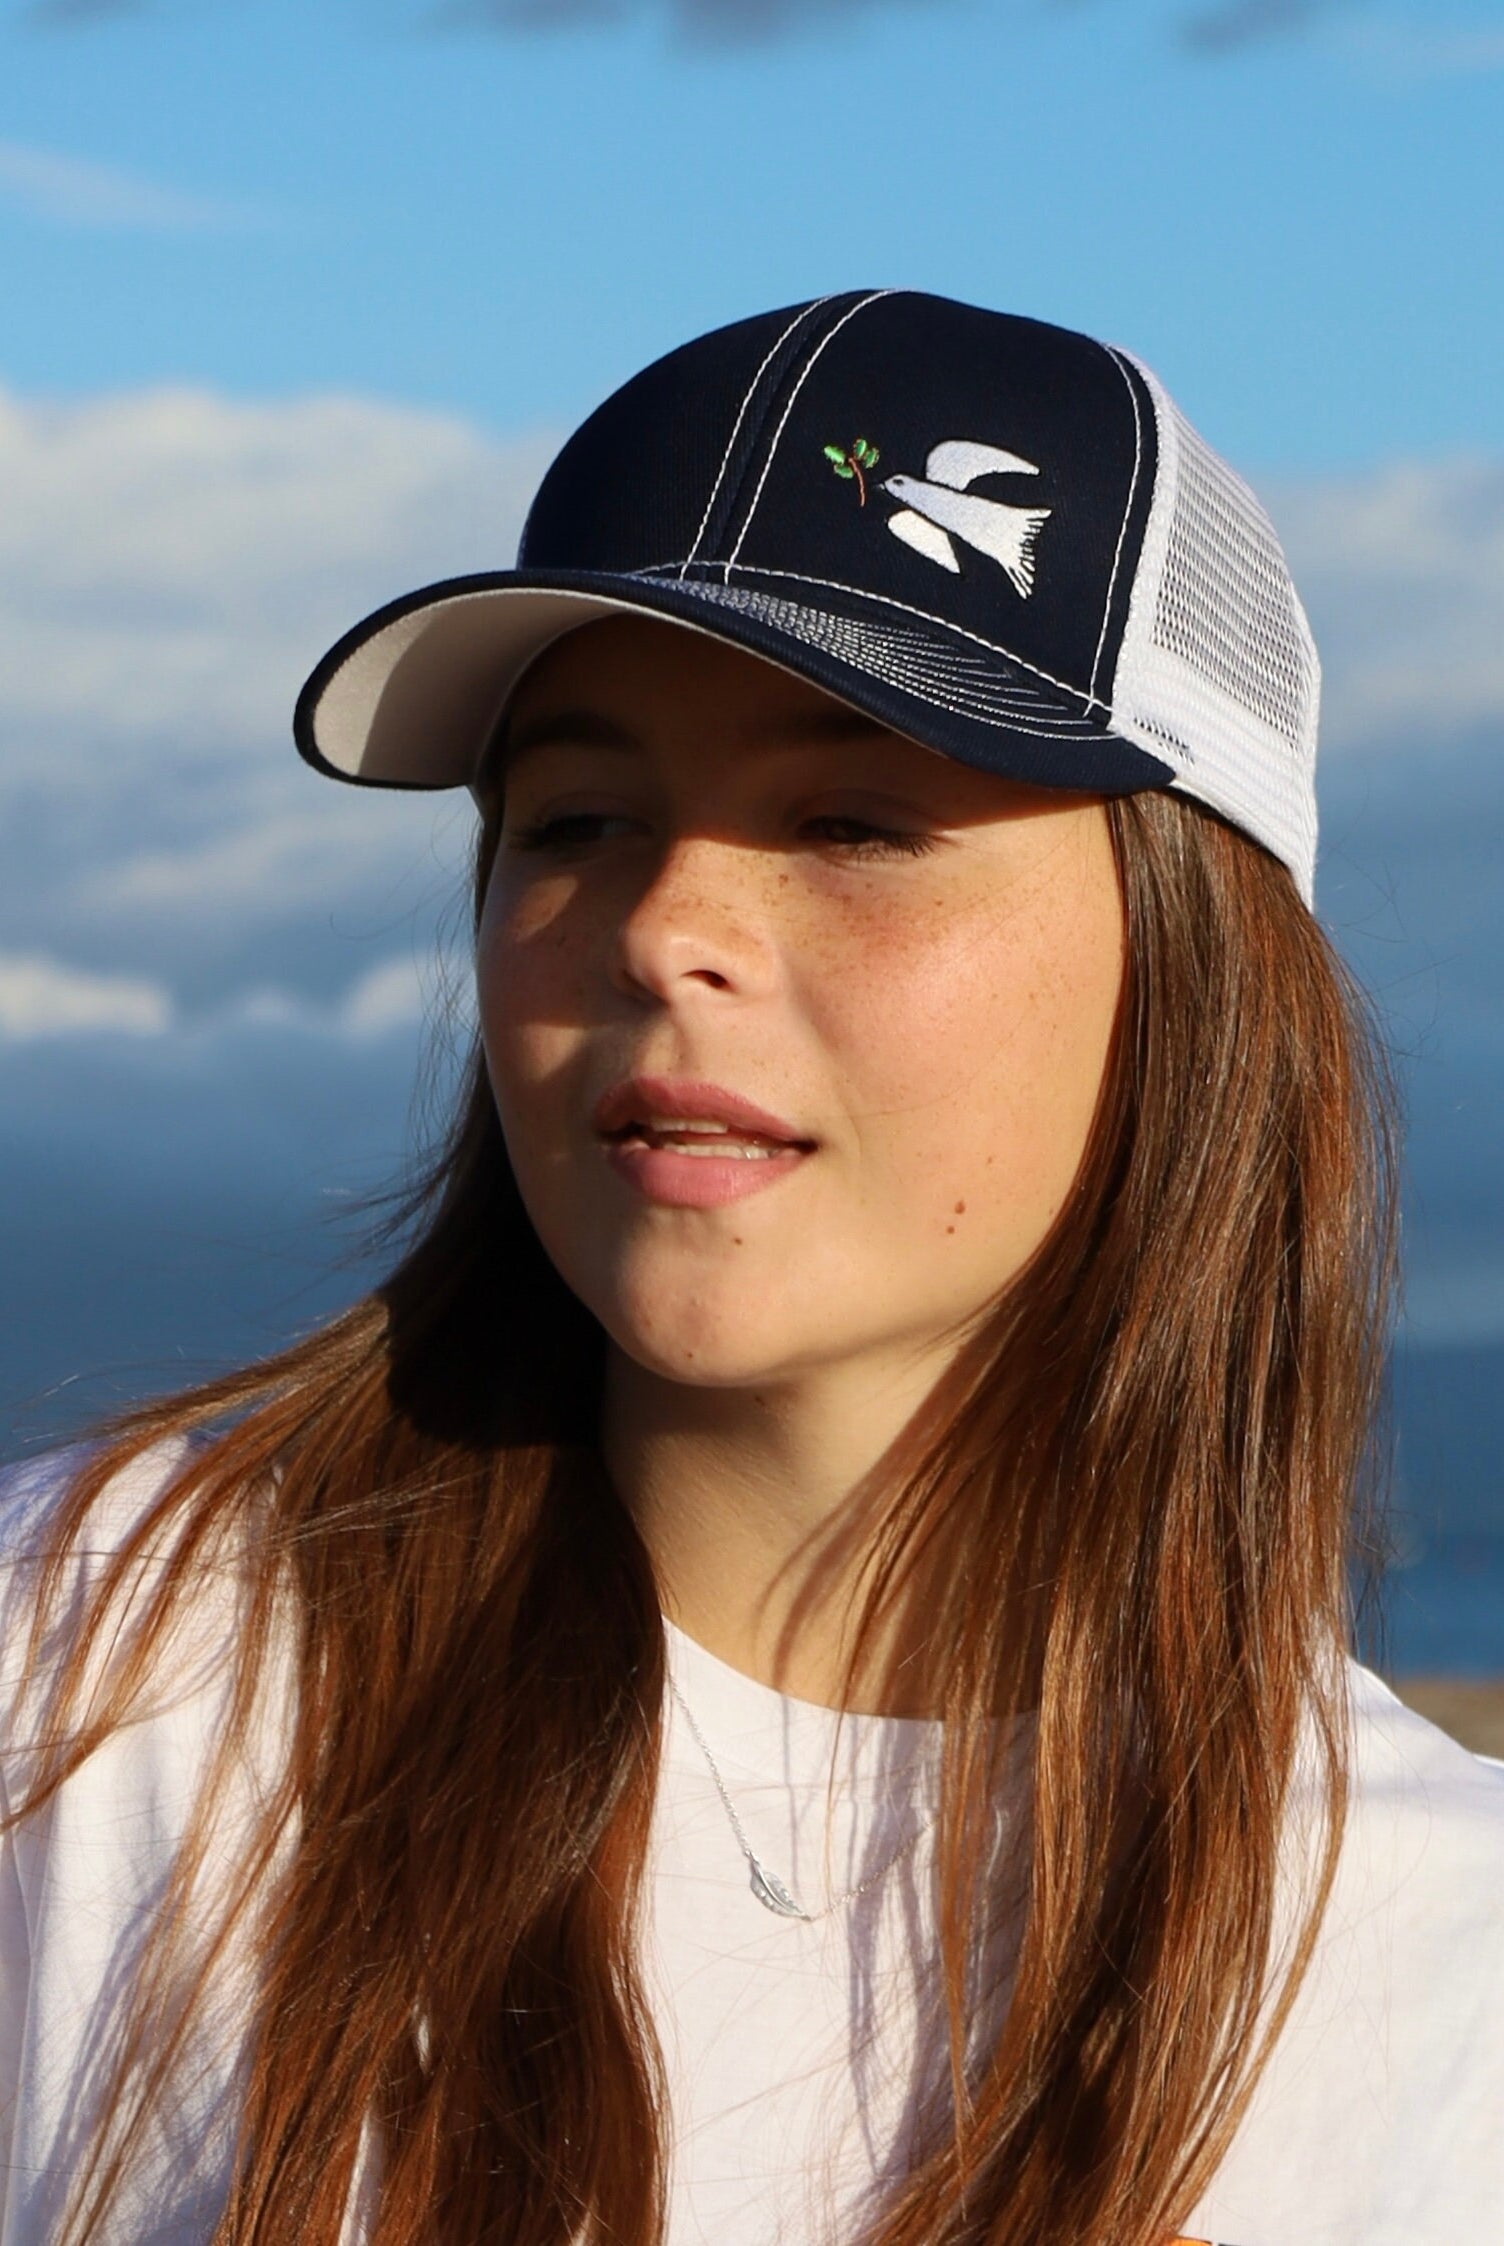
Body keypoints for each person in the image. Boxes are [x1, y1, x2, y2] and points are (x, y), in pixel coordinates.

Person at [1, 290, 1501, 2246]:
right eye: (579, 819)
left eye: (851, 818)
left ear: (1192, 961)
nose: (662, 924)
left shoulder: (1435, 1956)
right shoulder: (104, 1684)